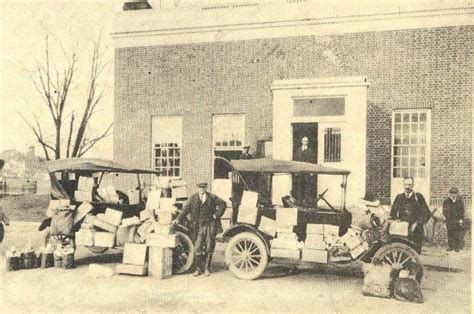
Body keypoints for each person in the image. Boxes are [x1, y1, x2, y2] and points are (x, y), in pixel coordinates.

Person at [173, 182, 226, 277]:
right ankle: (198, 269)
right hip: (197, 226)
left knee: (210, 245)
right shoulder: (193, 198)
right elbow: (185, 210)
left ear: (206, 187)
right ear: (197, 188)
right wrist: (177, 219)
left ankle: (207, 268)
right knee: (197, 246)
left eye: (203, 187)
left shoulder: (212, 197)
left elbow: (223, 204)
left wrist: (216, 215)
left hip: (210, 225)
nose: (201, 189)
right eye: (200, 187)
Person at [390, 177, 430, 251]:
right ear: (403, 185)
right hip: (403, 228)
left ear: (413, 185)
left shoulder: (418, 197)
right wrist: (397, 220)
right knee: (403, 249)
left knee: (415, 250)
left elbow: (426, 213)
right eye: (406, 184)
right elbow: (393, 212)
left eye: (409, 185)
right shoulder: (399, 197)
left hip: (416, 228)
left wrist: (417, 223)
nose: (407, 187)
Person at [293, 136, 316, 203]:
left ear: (307, 142)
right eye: (304, 141)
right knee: (300, 185)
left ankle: (306, 200)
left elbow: (312, 161)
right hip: (300, 171)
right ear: (302, 142)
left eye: (306, 141)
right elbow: (296, 161)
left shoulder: (310, 151)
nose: (305, 142)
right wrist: (296, 171)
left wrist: (312, 171)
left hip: (307, 171)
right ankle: (300, 200)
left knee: (307, 185)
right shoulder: (298, 150)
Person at [442, 187, 464, 252]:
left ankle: (456, 247)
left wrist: (461, 219)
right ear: (450, 194)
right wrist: (445, 220)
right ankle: (450, 247)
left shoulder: (459, 202)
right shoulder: (446, 202)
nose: (454, 195)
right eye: (452, 193)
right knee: (450, 234)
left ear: (457, 194)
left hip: (457, 221)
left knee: (457, 234)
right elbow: (444, 212)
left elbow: (462, 211)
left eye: (455, 193)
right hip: (449, 221)